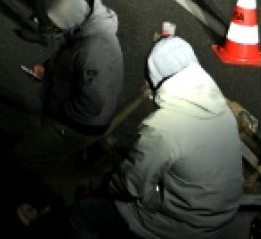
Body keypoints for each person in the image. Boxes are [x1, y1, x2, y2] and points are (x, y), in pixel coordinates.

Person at [67, 36, 243, 239]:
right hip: (220, 220)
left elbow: (130, 186)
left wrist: (103, 184)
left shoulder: (163, 127)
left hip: (179, 228)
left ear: (155, 78)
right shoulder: (221, 107)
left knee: (82, 213)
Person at [11, 0, 123, 180]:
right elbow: (71, 63)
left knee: (23, 156)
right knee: (48, 156)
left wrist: (60, 114)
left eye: (56, 24)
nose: (53, 28)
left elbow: (92, 103)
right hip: (70, 119)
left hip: (75, 126)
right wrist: (49, 70)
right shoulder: (85, 32)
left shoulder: (94, 51)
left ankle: (37, 197)